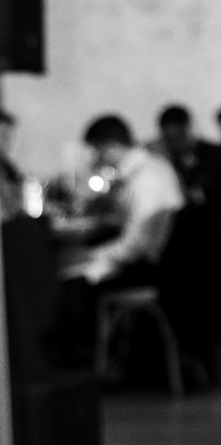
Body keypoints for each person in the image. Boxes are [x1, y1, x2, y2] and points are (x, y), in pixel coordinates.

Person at [58, 114, 186, 307]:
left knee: (70, 281)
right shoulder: (151, 166)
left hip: (152, 269)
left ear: (109, 146)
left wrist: (95, 255)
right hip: (158, 262)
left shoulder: (145, 178)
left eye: (96, 150)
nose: (95, 157)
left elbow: (138, 242)